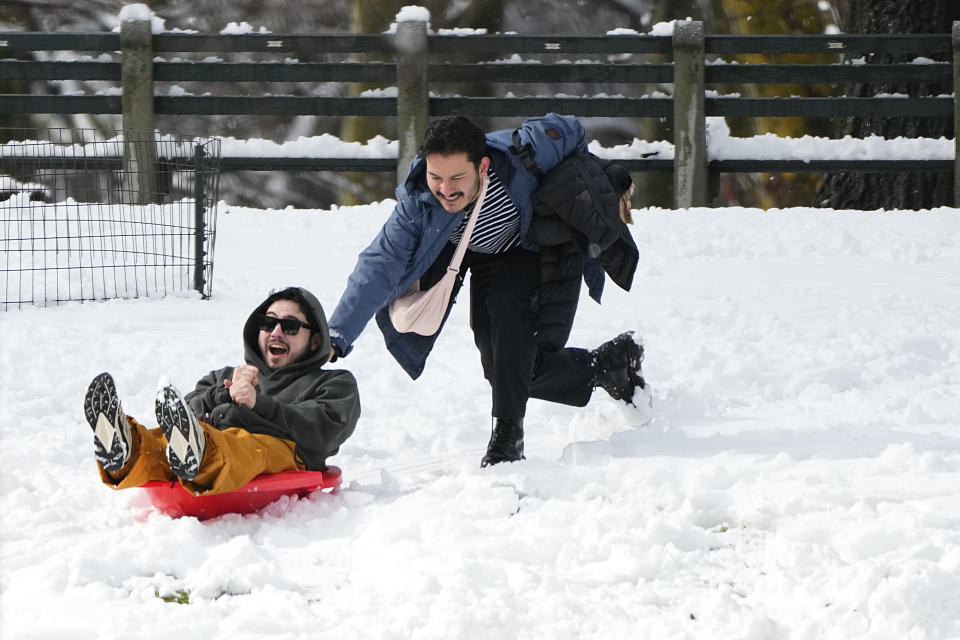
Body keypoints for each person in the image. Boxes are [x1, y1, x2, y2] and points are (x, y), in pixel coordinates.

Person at [327, 113, 646, 468]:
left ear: (482, 166)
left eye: (456, 178)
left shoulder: (525, 153)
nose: (446, 189)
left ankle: (507, 439)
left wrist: (593, 182)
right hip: (484, 258)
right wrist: (335, 335)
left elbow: (571, 130)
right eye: (436, 177)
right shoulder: (419, 204)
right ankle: (606, 365)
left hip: (537, 245)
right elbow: (378, 265)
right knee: (502, 369)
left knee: (510, 327)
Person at [83, 286, 361, 495]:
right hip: (207, 438)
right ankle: (125, 449)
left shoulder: (333, 384)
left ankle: (199, 453)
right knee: (163, 444)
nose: (276, 332)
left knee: (246, 449)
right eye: (268, 322)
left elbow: (324, 429)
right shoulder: (226, 376)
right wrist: (223, 395)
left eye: (289, 326)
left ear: (314, 340)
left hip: (281, 454)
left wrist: (260, 405)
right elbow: (182, 412)